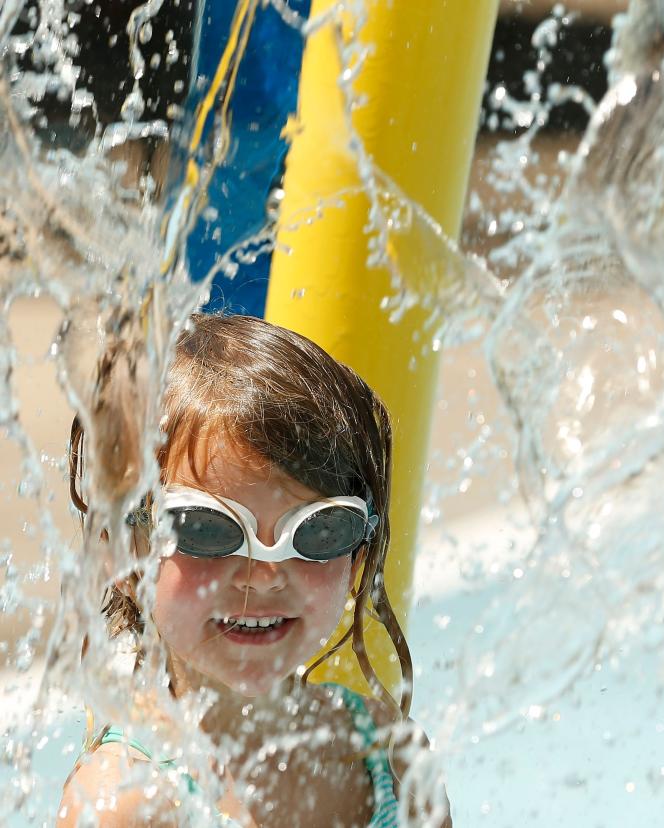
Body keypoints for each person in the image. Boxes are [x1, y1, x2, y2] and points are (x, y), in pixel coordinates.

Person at [57, 314, 449, 827]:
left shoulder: (389, 755)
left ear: (358, 553)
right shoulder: (126, 801)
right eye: (205, 527)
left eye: (319, 530)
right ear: (124, 553)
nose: (264, 574)